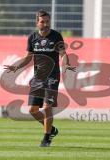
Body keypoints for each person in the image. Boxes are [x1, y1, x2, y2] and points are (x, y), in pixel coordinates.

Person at [4, 10, 76, 147]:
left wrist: (66, 65)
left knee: (48, 107)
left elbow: (63, 53)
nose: (46, 24)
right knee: (32, 110)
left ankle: (46, 138)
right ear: (37, 22)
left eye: (47, 21)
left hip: (52, 76)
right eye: (42, 21)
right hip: (38, 77)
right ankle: (51, 129)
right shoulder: (32, 38)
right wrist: (16, 67)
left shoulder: (56, 36)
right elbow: (28, 58)